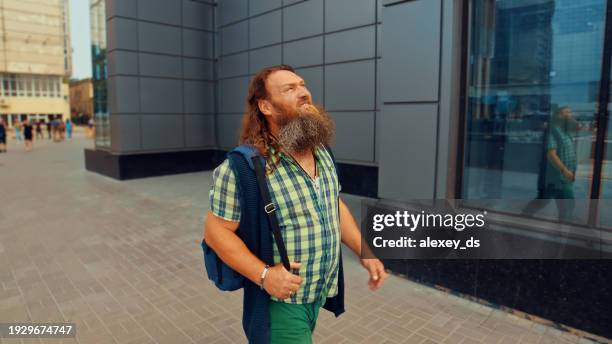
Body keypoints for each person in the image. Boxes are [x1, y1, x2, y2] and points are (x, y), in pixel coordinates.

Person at [203, 65, 387, 344]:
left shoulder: (322, 152)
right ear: (266, 106)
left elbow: (332, 205)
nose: (303, 93)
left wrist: (364, 250)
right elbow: (215, 232)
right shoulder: (243, 168)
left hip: (318, 291)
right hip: (280, 305)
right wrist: (264, 275)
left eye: (302, 85)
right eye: (289, 89)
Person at [522, 106, 578, 222]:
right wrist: (565, 170)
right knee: (545, 200)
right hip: (555, 176)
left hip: (563, 176)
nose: (570, 114)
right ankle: (524, 216)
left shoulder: (564, 130)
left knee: (564, 203)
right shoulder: (552, 131)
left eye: (570, 112)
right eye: (566, 112)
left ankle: (564, 226)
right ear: (558, 115)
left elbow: (577, 126)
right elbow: (551, 154)